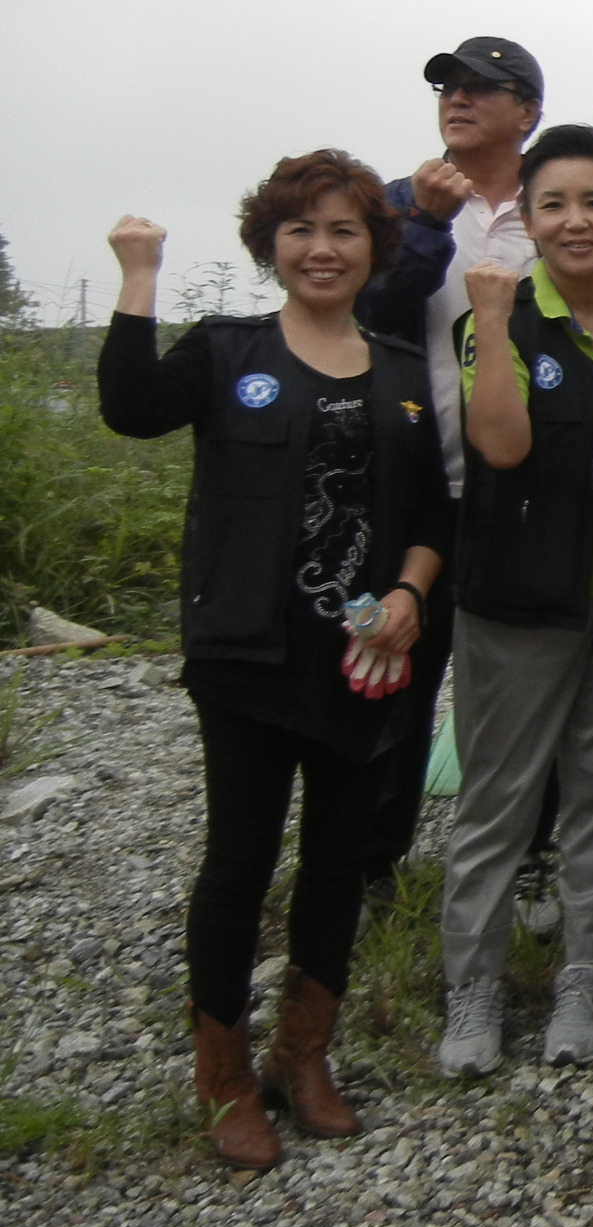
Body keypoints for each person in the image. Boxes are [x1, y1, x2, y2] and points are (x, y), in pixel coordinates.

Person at [99, 155, 450, 1170]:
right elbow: (132, 408)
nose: (322, 249)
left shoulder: (398, 372)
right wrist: (138, 276)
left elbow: (430, 516)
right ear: (270, 246)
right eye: (300, 231)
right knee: (238, 862)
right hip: (247, 653)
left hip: (361, 660)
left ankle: (306, 1056)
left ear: (372, 247)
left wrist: (411, 593)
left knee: (339, 860)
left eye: (343, 230)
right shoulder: (226, 350)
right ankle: (221, 1078)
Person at [435, 125, 593, 1078]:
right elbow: (503, 447)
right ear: (526, 217)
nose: (576, 221)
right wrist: (484, 320)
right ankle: (472, 990)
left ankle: (584, 976)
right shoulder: (502, 312)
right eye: (553, 204)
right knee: (498, 803)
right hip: (517, 602)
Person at [353, 37, 545, 896]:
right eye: (448, 87)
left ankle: (533, 859)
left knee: (528, 682)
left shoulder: (556, 208)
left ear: (527, 111)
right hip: (415, 484)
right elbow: (364, 317)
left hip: (528, 486)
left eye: (481, 87)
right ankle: (370, 865)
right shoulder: (397, 204)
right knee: (397, 672)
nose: (457, 99)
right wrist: (426, 226)